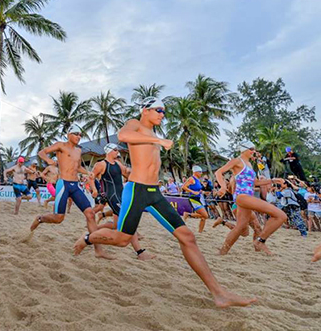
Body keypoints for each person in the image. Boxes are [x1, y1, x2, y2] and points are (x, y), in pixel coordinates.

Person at [72, 97, 255, 307]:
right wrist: (158, 142)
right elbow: (123, 135)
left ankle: (219, 294)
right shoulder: (136, 125)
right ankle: (87, 238)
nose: (162, 114)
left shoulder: (153, 134)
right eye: (158, 110)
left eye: (164, 111)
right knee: (123, 240)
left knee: (187, 237)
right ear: (145, 110)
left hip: (155, 192)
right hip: (136, 190)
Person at [27, 125, 113, 260]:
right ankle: (40, 218)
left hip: (75, 185)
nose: (79, 137)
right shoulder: (60, 145)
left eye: (80, 135)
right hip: (63, 184)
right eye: (76, 134)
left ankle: (98, 250)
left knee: (90, 214)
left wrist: (87, 172)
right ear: (69, 135)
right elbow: (41, 152)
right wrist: (49, 160)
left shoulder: (78, 151)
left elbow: (77, 167)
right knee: (58, 218)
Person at [215, 142, 286, 255]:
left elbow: (255, 182)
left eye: (254, 149)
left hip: (246, 197)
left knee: (240, 228)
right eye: (251, 149)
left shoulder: (248, 164)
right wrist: (223, 187)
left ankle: (222, 252)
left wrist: (273, 180)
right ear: (244, 149)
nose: (254, 151)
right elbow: (218, 172)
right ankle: (260, 241)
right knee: (281, 215)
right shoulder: (237, 161)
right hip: (242, 196)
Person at [87, 143, 154, 260]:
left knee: (116, 225)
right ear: (108, 151)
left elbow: (127, 172)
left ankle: (93, 233)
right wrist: (94, 189)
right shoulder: (101, 164)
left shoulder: (117, 164)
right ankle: (140, 252)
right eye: (115, 150)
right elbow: (91, 177)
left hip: (121, 195)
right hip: (111, 196)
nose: (117, 152)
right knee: (128, 220)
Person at [182, 166, 210, 233]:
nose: (201, 173)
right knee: (205, 215)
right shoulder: (191, 178)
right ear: (195, 172)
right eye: (200, 172)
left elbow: (198, 190)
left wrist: (203, 192)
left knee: (203, 217)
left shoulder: (197, 179)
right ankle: (188, 214)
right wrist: (192, 191)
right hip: (193, 199)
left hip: (198, 198)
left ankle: (200, 231)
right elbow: (184, 187)